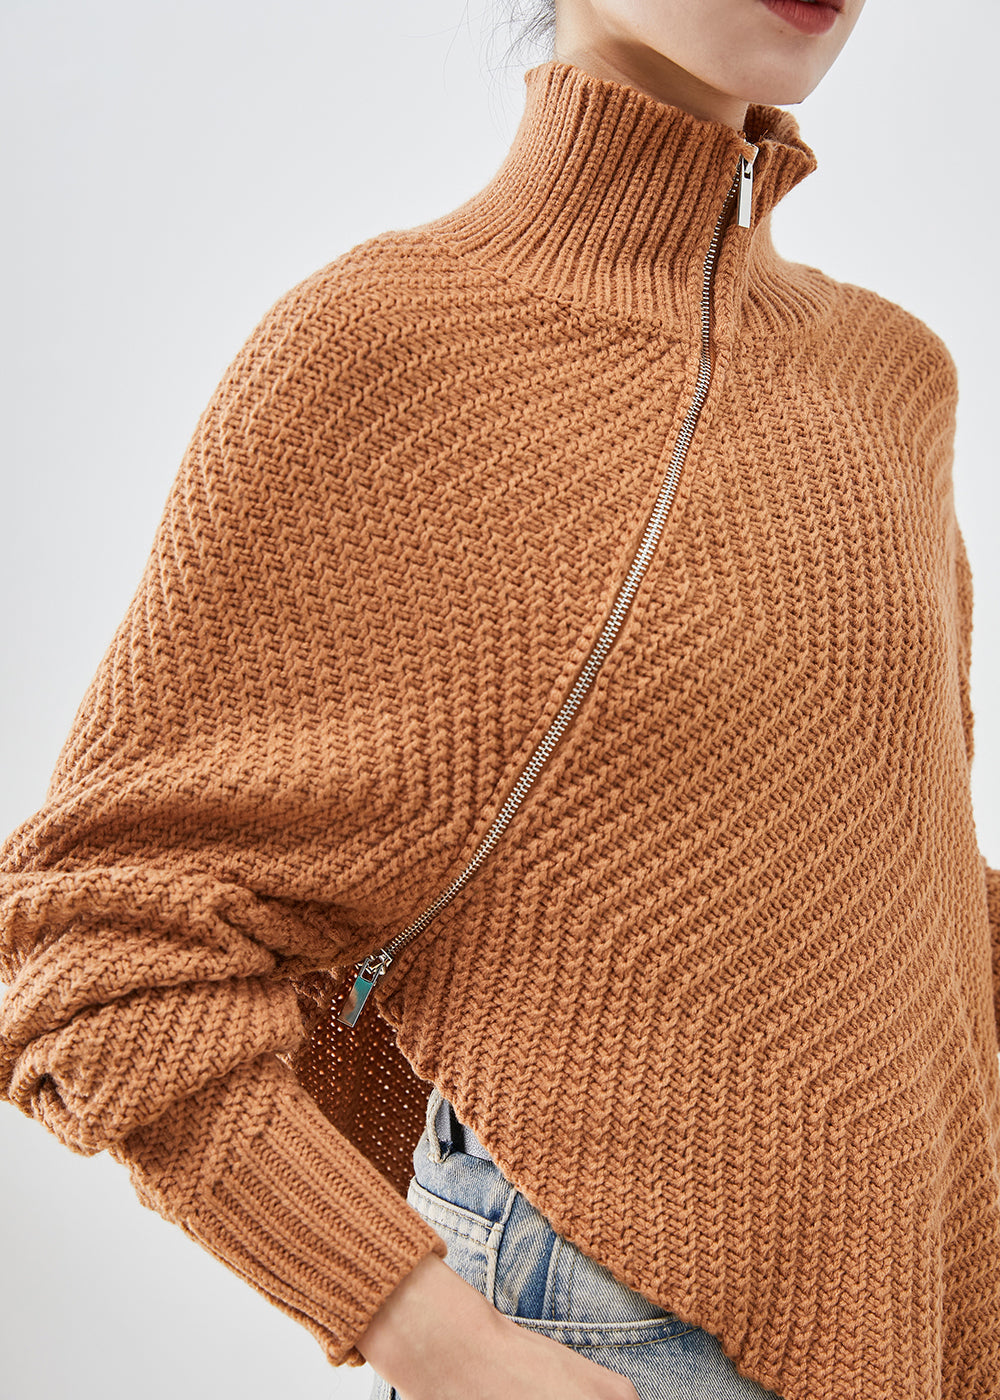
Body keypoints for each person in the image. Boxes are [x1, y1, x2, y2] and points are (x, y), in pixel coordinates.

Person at [2, 1, 998, 1399]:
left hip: (914, 1299)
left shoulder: (892, 379)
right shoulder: (383, 345)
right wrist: (435, 1338)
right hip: (609, 1330)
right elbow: (89, 943)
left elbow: (895, 893)